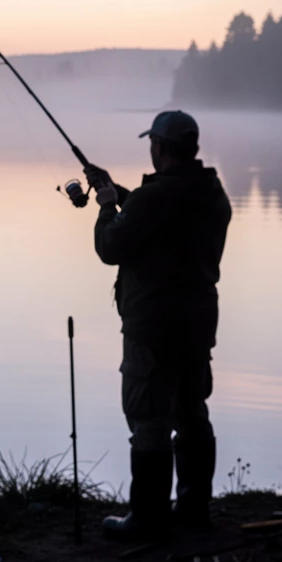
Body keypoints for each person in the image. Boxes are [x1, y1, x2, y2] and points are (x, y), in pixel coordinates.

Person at [83, 110, 232, 540]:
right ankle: (193, 509)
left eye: (153, 143)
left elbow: (112, 245)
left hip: (153, 327)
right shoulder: (211, 193)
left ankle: (147, 518)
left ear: (160, 147)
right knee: (191, 414)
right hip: (197, 322)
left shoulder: (156, 200)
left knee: (149, 419)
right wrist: (122, 193)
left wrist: (109, 204)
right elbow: (167, 221)